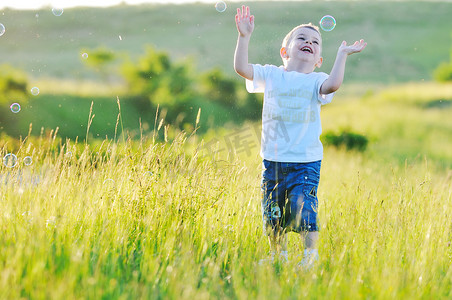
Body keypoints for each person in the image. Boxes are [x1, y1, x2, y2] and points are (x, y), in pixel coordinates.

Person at [234, 5, 366, 268]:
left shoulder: (317, 79)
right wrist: (244, 37)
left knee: (302, 207)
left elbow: (333, 84)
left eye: (315, 42)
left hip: (305, 160)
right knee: (272, 212)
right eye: (302, 39)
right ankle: (277, 255)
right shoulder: (271, 74)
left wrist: (342, 55)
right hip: (272, 160)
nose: (309, 43)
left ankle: (310, 257)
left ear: (318, 59)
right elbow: (241, 68)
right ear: (285, 52)